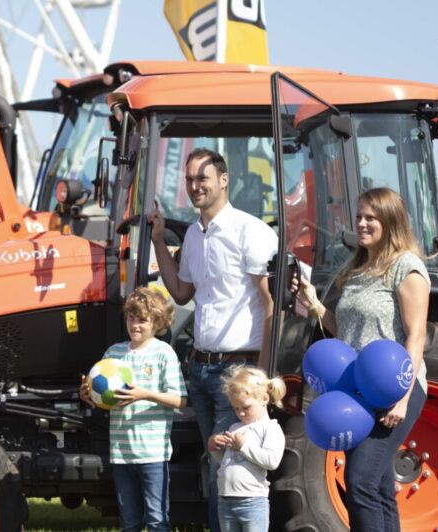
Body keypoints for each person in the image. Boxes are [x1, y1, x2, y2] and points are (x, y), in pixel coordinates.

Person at [149, 147, 276, 531]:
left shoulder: (249, 231)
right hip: (201, 369)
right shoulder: (193, 236)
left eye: (202, 178)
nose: (194, 186)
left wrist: (264, 374)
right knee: (217, 466)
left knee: (230, 468)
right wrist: (157, 240)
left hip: (237, 369)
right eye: (189, 179)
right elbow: (182, 292)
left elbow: (272, 303)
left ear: (224, 179)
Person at [293, 187, 430, 532]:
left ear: (390, 220)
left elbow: (416, 335)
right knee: (379, 485)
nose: (363, 223)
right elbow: (346, 331)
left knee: (360, 481)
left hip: (394, 389)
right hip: (359, 390)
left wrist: (402, 395)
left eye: (371, 217)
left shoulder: (407, 268)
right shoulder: (357, 268)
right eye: (359, 217)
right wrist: (314, 305)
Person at [78, 287, 187, 532]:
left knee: (157, 519)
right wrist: (88, 396)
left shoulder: (163, 353)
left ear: (157, 322)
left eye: (143, 320)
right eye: (131, 318)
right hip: (121, 453)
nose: (135, 325)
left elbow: (180, 400)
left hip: (153, 454)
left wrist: (144, 394)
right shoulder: (113, 353)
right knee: (129, 521)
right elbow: (103, 400)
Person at [210, 366, 286, 532]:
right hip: (226, 499)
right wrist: (215, 448)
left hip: (252, 502)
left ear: (264, 399)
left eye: (245, 407)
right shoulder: (235, 427)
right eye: (236, 408)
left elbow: (272, 461)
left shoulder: (270, 428)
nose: (241, 413)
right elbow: (226, 461)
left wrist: (243, 446)